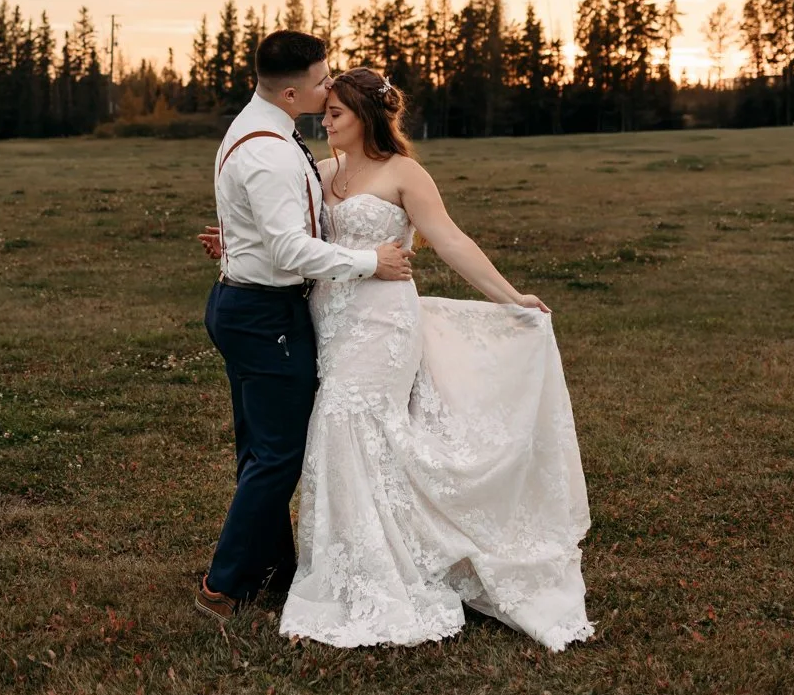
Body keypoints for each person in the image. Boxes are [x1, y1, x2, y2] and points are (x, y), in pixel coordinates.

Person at [277, 67, 594, 650]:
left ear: (367, 116)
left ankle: (381, 568)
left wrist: (511, 296)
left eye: (336, 115)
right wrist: (237, 247)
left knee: (347, 423)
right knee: (352, 435)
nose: (325, 124)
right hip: (333, 320)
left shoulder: (405, 174)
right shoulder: (322, 173)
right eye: (325, 115)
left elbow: (449, 240)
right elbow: (287, 235)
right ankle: (356, 559)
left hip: (384, 324)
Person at [195, 33, 413, 623]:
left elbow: (268, 220)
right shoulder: (267, 149)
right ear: (292, 91)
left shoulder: (259, 124)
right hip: (265, 313)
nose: (329, 87)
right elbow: (291, 249)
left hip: (246, 300)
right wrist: (371, 262)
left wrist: (240, 243)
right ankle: (222, 584)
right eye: (321, 81)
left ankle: (270, 572)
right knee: (279, 456)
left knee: (259, 449)